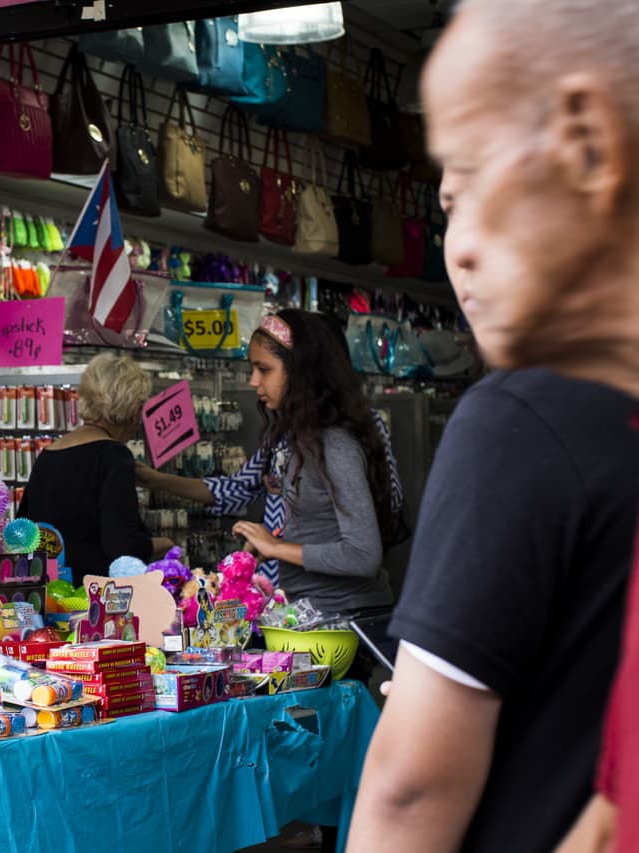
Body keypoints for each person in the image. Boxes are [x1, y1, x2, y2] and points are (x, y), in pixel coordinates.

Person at [348, 1, 639, 848]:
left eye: (470, 183)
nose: (458, 249)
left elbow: (408, 789)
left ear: (586, 141)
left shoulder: (516, 419)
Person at [137, 309, 395, 616]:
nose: (253, 381)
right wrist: (276, 544)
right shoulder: (299, 437)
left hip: (347, 620)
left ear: (301, 372)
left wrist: (278, 548)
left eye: (264, 369)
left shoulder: (334, 443)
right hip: (316, 612)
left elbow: (364, 555)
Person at [16, 352, 173, 576]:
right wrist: (166, 544)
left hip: (47, 595)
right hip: (95, 598)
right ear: (132, 410)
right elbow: (121, 546)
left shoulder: (49, 454)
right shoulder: (114, 456)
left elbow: (24, 531)